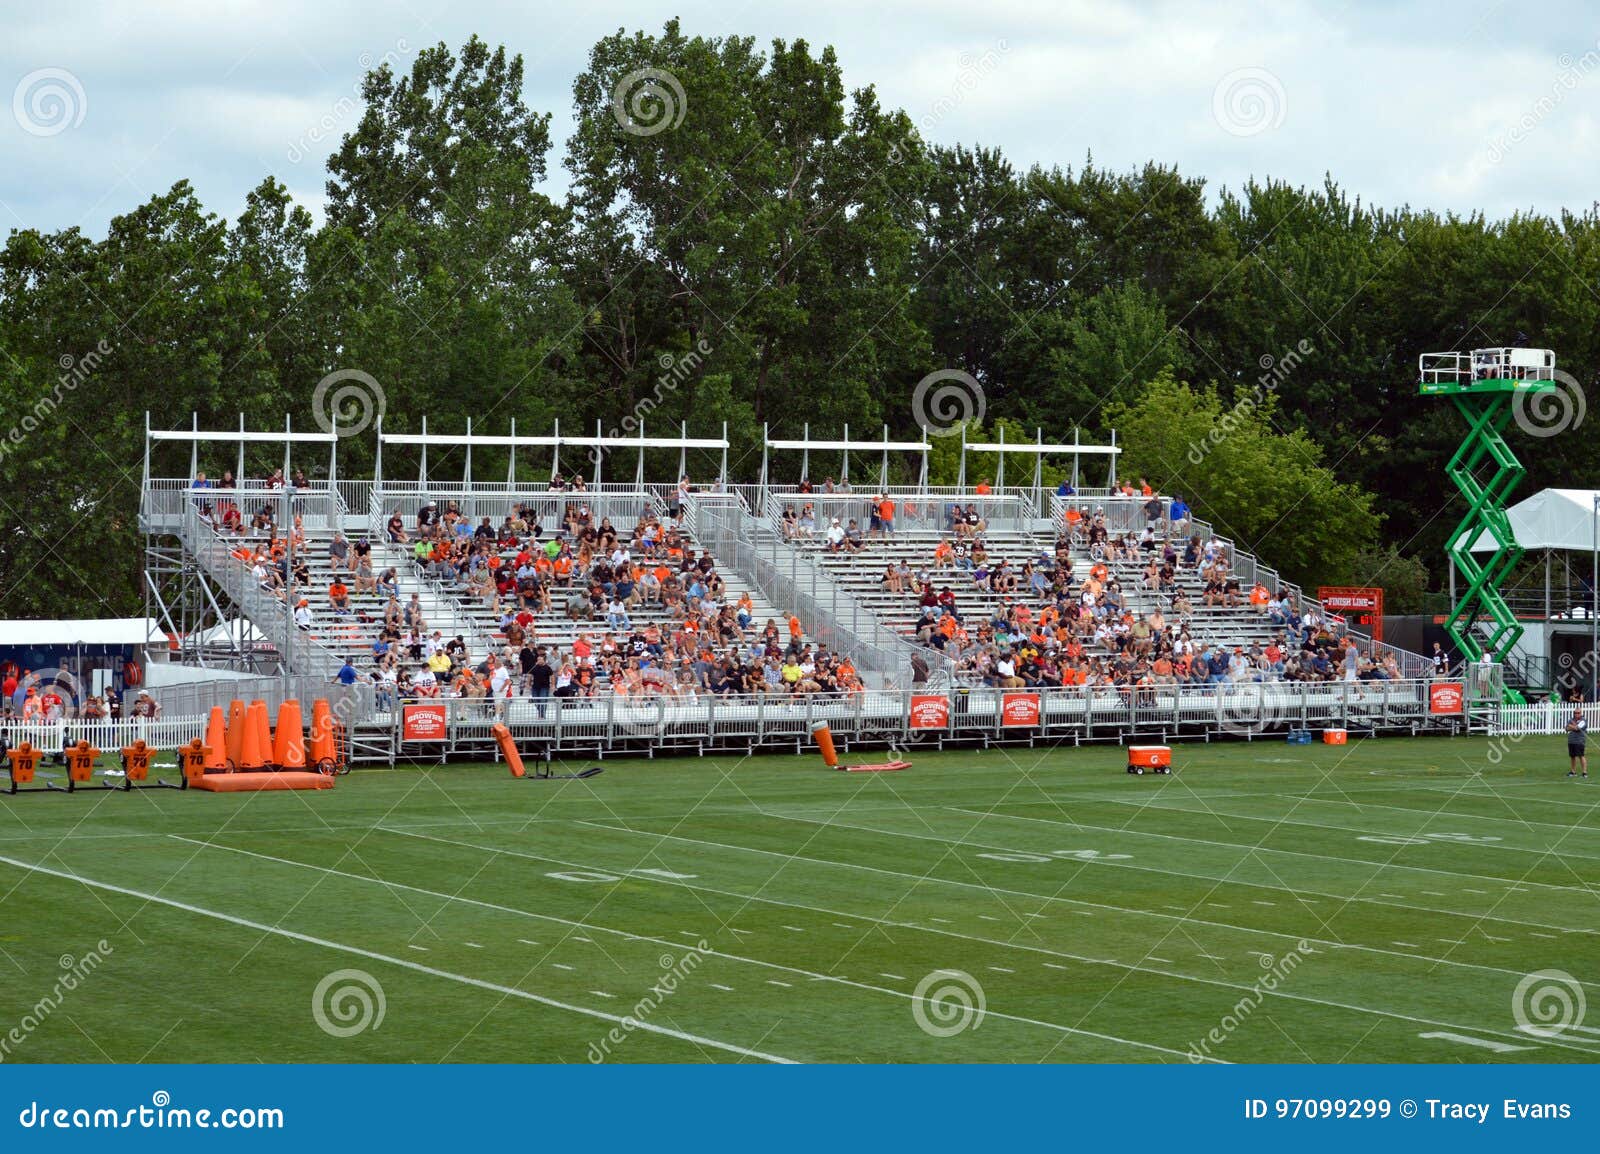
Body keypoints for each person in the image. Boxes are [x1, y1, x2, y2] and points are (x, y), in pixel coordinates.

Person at [1566, 704, 1589, 778]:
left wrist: (1572, 726)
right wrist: (1573, 726)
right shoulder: (1571, 719)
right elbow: (1566, 728)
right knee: (1572, 756)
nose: (1576, 714)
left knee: (1581, 756)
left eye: (1578, 713)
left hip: (1579, 741)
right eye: (1575, 713)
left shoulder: (1583, 720)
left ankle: (1584, 772)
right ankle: (1573, 771)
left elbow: (1577, 728)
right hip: (1571, 740)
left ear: (1581, 713)